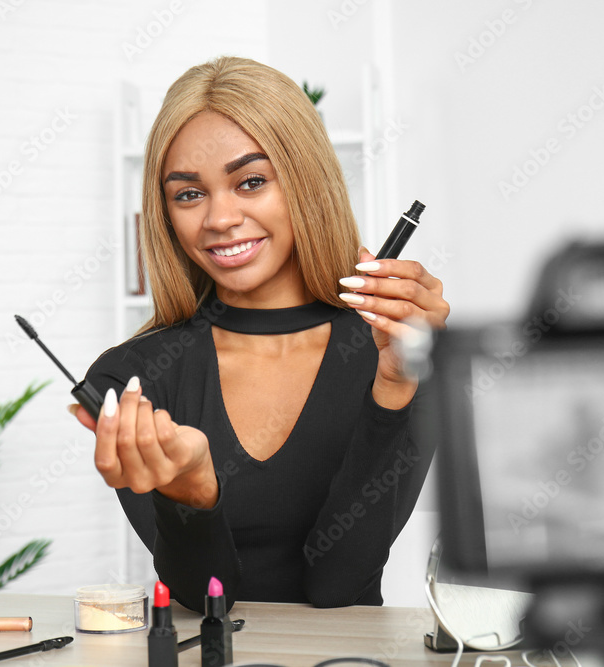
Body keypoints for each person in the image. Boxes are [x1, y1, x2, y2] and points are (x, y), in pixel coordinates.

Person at [71, 56, 450, 612]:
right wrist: (193, 491)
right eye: (189, 194)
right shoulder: (129, 381)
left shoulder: (401, 352)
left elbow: (339, 586)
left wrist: (394, 391)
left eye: (251, 181)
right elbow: (207, 600)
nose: (220, 218)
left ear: (306, 182)